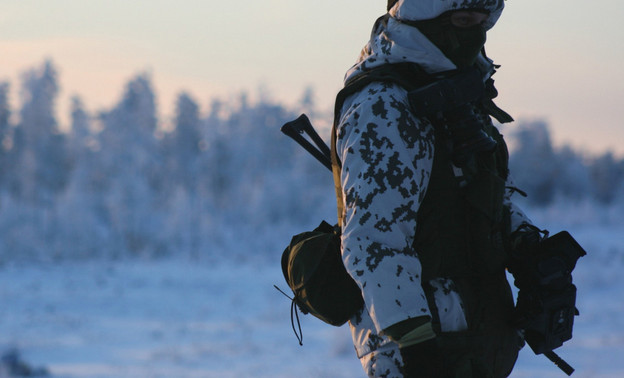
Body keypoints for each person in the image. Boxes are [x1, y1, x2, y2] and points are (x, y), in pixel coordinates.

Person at [332, 1, 538, 376]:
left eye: (481, 22)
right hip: (418, 351)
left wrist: (532, 254)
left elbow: (484, 194)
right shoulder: (385, 106)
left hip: (475, 340)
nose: (475, 34)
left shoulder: (456, 96)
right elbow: (373, 240)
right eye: (462, 20)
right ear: (423, 19)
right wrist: (416, 344)